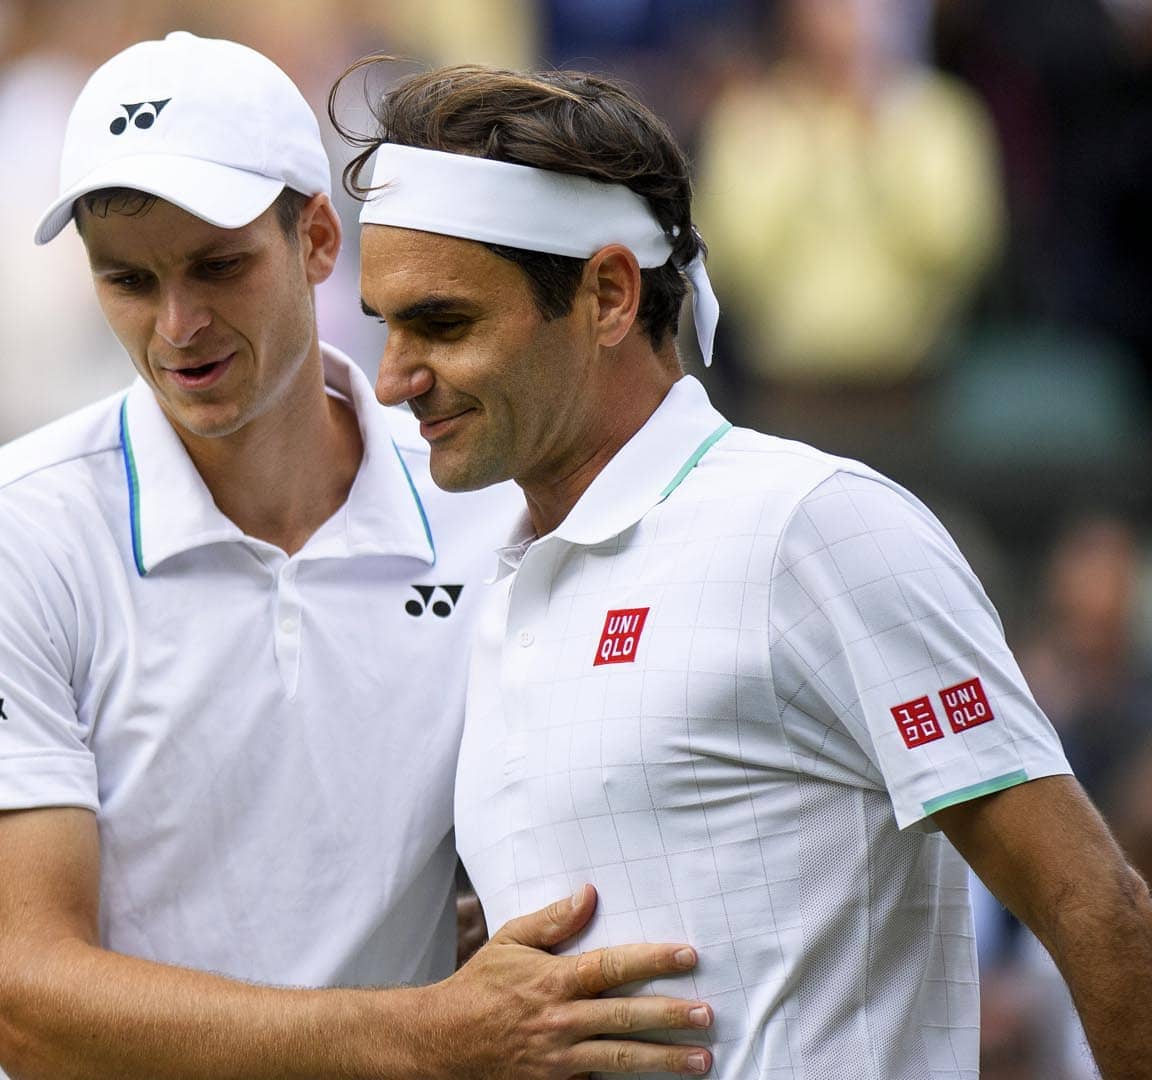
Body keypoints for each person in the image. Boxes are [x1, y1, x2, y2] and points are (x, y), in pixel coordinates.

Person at [0, 31, 717, 1080]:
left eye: (220, 266)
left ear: (319, 240)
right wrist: (433, 1031)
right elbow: (32, 1006)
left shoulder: (489, 507)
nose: (178, 325)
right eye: (128, 279)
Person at [344, 61, 1152, 1077]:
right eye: (386, 325)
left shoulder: (813, 529)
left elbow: (1099, 910)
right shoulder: (496, 589)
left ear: (604, 295)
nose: (394, 380)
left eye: (444, 324)